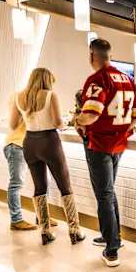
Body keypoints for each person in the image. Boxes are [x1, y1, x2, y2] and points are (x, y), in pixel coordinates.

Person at [75, 39, 136, 268]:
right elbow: (135, 117)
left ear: (92, 55)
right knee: (108, 191)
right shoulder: (128, 79)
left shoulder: (97, 79)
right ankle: (113, 236)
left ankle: (111, 250)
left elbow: (91, 115)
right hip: (119, 145)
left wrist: (77, 120)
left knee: (103, 194)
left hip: (99, 144)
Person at [10, 68, 84, 246]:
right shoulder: (51, 95)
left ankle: (44, 231)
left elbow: (13, 124)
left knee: (39, 187)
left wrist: (30, 118)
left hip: (30, 143)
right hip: (49, 142)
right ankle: (74, 230)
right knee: (64, 185)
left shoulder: (19, 97)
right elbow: (58, 122)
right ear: (46, 80)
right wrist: (64, 123)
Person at [3, 96, 39, 231]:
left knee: (40, 181)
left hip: (27, 145)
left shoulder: (25, 99)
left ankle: (42, 215)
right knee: (16, 184)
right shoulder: (20, 98)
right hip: (16, 145)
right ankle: (16, 220)